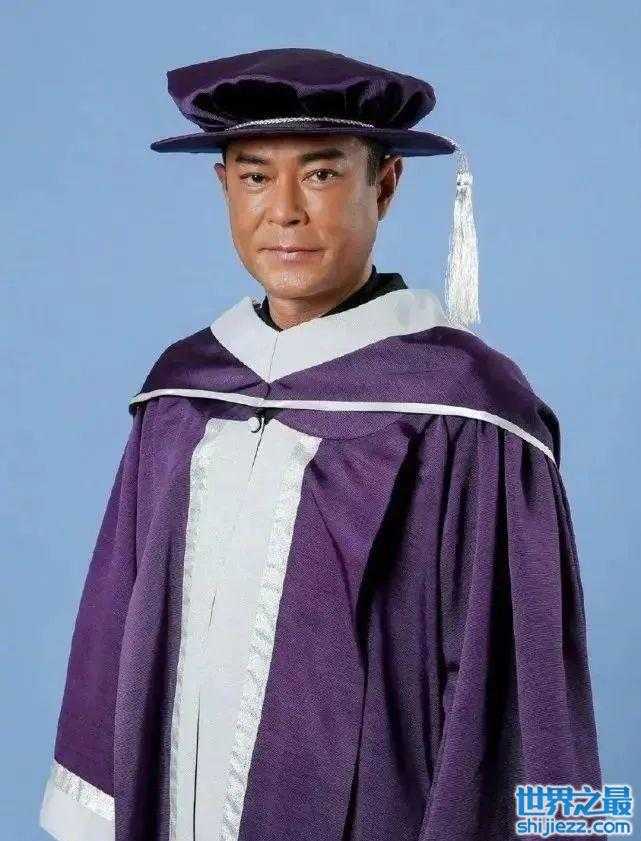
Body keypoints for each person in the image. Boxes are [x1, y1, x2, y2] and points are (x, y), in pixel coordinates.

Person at [39, 47, 604, 841]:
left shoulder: (468, 412)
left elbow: (519, 690)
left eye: (322, 173)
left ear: (386, 184)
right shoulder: (182, 393)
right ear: (223, 188)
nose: (284, 211)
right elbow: (115, 627)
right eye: (254, 176)